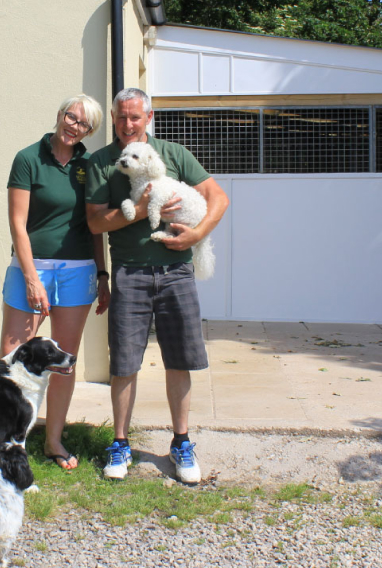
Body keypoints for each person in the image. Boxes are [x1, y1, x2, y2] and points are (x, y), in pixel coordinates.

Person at [85, 88, 229, 483]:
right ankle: (120, 443)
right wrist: (139, 212)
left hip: (177, 272)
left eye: (135, 117)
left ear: (148, 117)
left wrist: (195, 235)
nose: (128, 125)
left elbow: (218, 197)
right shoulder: (103, 163)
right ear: (113, 119)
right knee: (125, 362)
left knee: (180, 359)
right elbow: (96, 223)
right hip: (129, 273)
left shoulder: (175, 154)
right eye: (121, 118)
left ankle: (181, 442)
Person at [0, 94, 109, 470]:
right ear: (59, 115)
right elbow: (18, 224)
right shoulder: (28, 158)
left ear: (89, 132)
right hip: (31, 267)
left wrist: (102, 273)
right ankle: (6, 444)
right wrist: (32, 278)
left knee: (63, 361)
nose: (73, 126)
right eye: (70, 116)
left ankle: (53, 441)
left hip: (78, 270)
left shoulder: (88, 165)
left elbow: (95, 225)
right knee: (14, 358)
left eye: (83, 123)